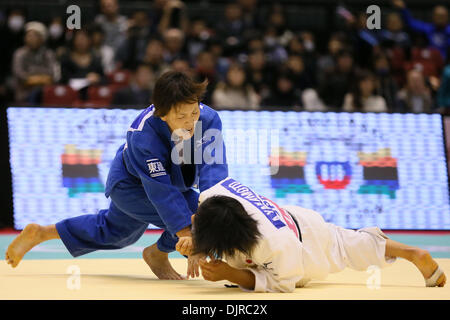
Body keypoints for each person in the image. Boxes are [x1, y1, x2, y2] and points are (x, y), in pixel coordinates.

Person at [5, 71, 229, 281]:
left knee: (115, 232)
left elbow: (214, 171)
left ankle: (41, 233)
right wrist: (193, 237)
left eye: (194, 112)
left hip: (169, 184)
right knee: (191, 215)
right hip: (130, 186)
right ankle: (158, 253)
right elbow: (162, 194)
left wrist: (213, 213)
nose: (191, 122)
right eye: (182, 116)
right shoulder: (143, 134)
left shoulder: (208, 120)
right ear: (162, 114)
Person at [186, 177, 446, 292]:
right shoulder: (215, 196)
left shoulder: (273, 246)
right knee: (348, 244)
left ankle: (412, 253)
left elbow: (280, 284)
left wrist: (228, 273)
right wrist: (195, 241)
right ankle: (412, 253)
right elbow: (200, 217)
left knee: (343, 251)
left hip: (303, 251)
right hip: (300, 219)